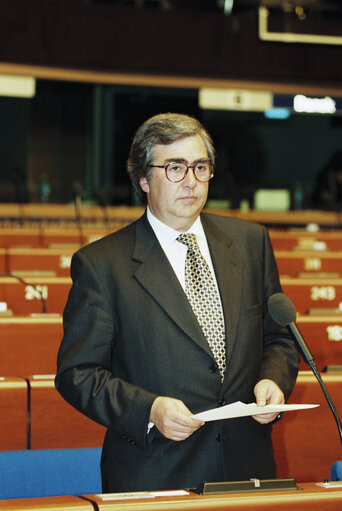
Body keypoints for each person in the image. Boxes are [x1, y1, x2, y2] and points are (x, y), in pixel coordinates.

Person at [55, 113, 299, 493]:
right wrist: (149, 410)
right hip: (156, 472)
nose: (191, 180)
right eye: (174, 167)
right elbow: (78, 374)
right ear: (142, 179)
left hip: (248, 468)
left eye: (200, 167)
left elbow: (280, 339)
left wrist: (273, 379)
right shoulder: (102, 264)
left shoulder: (251, 243)